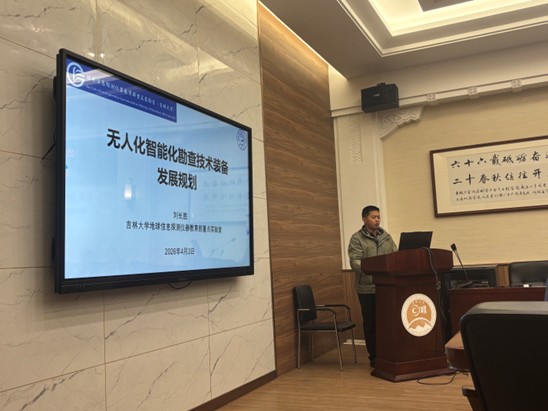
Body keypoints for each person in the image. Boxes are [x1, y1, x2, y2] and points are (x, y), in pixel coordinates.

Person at [348, 205, 397, 367]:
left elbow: (395, 255)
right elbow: (355, 261)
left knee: (387, 322)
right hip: (367, 288)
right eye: (373, 217)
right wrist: (372, 269)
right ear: (364, 219)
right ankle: (374, 356)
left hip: (386, 287)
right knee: (371, 323)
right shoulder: (357, 238)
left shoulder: (386, 237)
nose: (377, 220)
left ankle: (388, 354)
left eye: (378, 217)